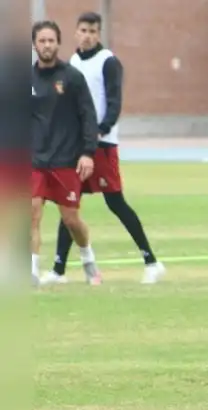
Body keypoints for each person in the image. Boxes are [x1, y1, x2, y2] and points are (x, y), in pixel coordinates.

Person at [40, 13, 163, 285]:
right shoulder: (72, 63)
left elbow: (114, 102)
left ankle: (152, 262)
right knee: (69, 204)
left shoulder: (108, 61)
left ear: (99, 34)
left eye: (93, 31)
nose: (87, 36)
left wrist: (100, 130)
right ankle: (59, 271)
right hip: (76, 147)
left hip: (102, 145)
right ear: (76, 33)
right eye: (83, 30)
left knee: (115, 202)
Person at [31, 20, 102, 287]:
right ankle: (31, 271)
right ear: (34, 45)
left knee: (71, 220)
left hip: (65, 160)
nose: (47, 45)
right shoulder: (26, 79)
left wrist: (88, 153)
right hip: (35, 160)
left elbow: (88, 116)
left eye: (51, 40)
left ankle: (88, 260)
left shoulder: (72, 77)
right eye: (42, 41)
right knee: (32, 213)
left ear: (58, 43)